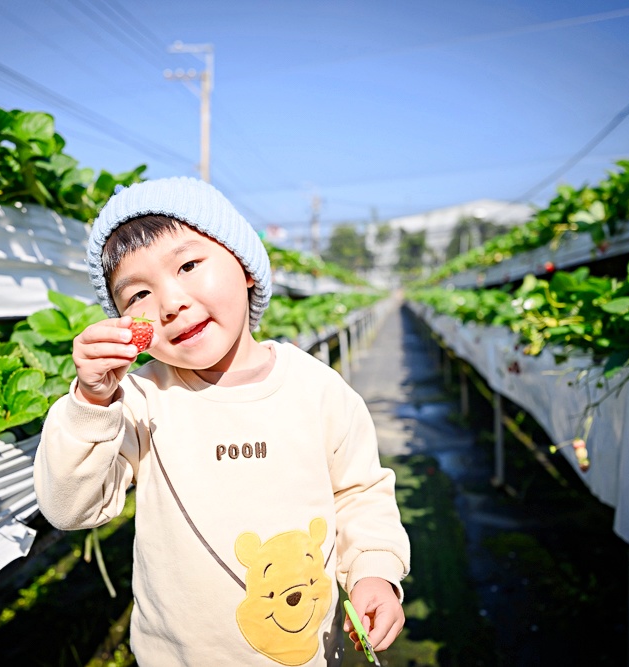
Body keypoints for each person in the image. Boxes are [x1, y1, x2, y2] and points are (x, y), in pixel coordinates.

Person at [33, 176, 410, 666]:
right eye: (137, 295)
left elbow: (360, 494)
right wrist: (90, 401)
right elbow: (70, 508)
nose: (170, 304)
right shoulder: (140, 400)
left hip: (308, 653)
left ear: (247, 269)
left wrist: (374, 570)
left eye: (189, 265)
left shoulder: (318, 390)